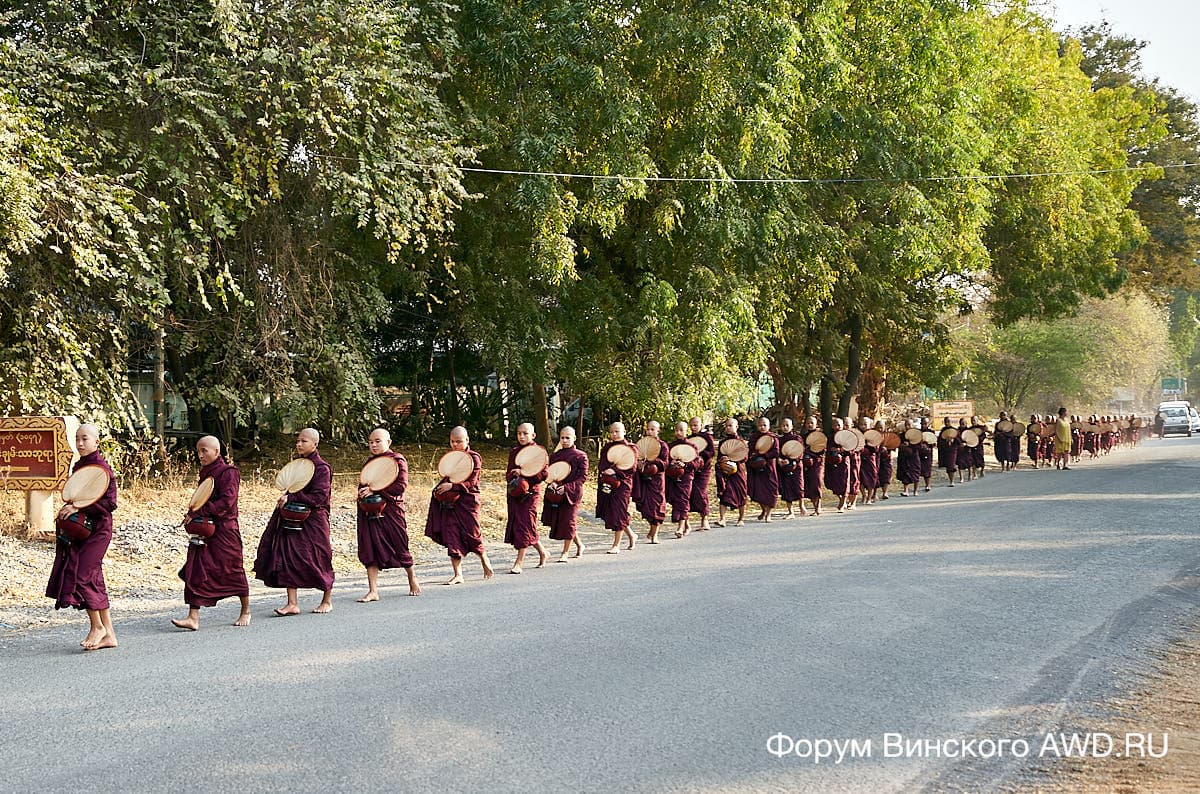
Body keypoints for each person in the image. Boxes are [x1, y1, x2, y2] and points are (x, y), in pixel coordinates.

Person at [46, 424, 118, 651]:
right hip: (81, 530)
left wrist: (78, 507)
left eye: (84, 439)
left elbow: (110, 503)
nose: (79, 443)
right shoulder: (79, 466)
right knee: (94, 579)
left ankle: (97, 627)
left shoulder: (102, 469)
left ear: (97, 442)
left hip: (99, 530)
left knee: (81, 575)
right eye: (77, 438)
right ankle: (110, 635)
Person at [172, 435, 251, 630]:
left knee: (232, 569)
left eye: (204, 451)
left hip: (226, 530)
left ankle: (245, 611)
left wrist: (199, 512)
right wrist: (193, 513)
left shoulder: (229, 472)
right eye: (198, 451)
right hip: (206, 528)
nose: (200, 455)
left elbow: (227, 502)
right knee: (196, 568)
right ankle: (193, 617)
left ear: (216, 451)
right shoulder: (206, 473)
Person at [254, 428, 335, 615]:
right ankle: (292, 603)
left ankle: (326, 600)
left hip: (314, 520)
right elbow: (291, 489)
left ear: (315, 444)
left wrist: (292, 497)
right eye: (298, 441)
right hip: (292, 517)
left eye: (304, 441)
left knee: (319, 558)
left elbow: (319, 497)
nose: (299, 444)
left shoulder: (322, 468)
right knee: (288, 557)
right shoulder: (298, 466)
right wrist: (287, 498)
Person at [355, 428, 420, 602]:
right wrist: (362, 493)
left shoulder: (397, 460)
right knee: (369, 546)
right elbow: (363, 484)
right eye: (371, 442)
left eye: (378, 441)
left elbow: (400, 486)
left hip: (391, 509)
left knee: (400, 543)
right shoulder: (369, 463)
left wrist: (375, 490)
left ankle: (412, 577)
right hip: (370, 510)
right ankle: (373, 590)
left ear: (388, 442)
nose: (374, 445)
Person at [424, 426, 495, 584]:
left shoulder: (474, 458)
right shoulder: (450, 458)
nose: (455, 445)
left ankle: (484, 558)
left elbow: (472, 481)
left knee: (472, 532)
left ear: (467, 440)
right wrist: (440, 489)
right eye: (452, 442)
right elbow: (447, 476)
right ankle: (458, 574)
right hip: (451, 502)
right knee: (452, 535)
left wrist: (453, 486)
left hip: (468, 500)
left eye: (459, 441)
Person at [504, 423, 548, 574]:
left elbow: (544, 474)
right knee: (524, 525)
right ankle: (542, 552)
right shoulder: (514, 452)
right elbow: (508, 474)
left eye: (525, 433)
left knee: (524, 524)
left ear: (533, 435)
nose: (522, 436)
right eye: (519, 433)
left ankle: (519, 562)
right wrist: (514, 474)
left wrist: (525, 473)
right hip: (515, 492)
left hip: (530, 493)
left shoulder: (539, 452)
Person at [542, 426, 589, 562]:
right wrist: (551, 483)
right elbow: (549, 474)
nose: (564, 440)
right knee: (564, 522)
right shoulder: (554, 456)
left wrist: (567, 487)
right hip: (556, 493)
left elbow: (582, 477)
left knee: (569, 521)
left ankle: (565, 552)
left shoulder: (581, 456)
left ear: (574, 438)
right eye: (562, 438)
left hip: (572, 493)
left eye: (568, 438)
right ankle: (580, 545)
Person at [597, 422, 638, 553]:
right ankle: (632, 535)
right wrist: (606, 470)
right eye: (612, 432)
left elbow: (632, 468)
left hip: (623, 484)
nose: (614, 434)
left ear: (624, 432)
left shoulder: (631, 448)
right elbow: (602, 464)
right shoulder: (607, 448)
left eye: (617, 431)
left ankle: (616, 545)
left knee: (619, 511)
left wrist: (615, 471)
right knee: (613, 512)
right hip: (608, 482)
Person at [632, 421, 669, 543]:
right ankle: (652, 529)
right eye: (648, 429)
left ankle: (655, 534)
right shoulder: (640, 444)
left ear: (658, 431)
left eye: (653, 429)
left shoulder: (662, 446)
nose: (649, 432)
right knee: (645, 507)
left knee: (657, 507)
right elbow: (635, 458)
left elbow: (665, 463)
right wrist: (639, 463)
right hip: (643, 479)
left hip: (656, 480)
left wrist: (652, 460)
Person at [666, 422, 699, 537]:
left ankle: (680, 528)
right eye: (676, 430)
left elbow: (697, 463)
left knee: (683, 500)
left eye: (681, 430)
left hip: (686, 477)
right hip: (672, 477)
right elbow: (666, 461)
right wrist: (672, 463)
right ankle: (687, 525)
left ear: (687, 431)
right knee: (676, 500)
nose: (678, 432)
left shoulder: (692, 446)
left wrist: (685, 464)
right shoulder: (671, 446)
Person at [714, 417, 747, 527]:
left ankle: (741, 519)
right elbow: (719, 458)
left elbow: (745, 457)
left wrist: (733, 459)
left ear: (736, 427)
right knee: (724, 494)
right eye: (726, 426)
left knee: (741, 494)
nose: (728, 428)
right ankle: (722, 519)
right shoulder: (722, 442)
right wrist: (722, 460)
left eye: (730, 426)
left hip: (738, 471)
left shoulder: (741, 442)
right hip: (726, 471)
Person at [747, 416, 780, 522]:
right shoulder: (753, 438)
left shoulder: (773, 438)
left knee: (771, 490)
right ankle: (763, 509)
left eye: (764, 425)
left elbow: (776, 452)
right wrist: (754, 456)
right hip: (756, 468)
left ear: (769, 426)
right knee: (758, 491)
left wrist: (764, 455)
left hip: (769, 468)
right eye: (760, 425)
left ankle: (768, 514)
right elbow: (750, 451)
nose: (762, 427)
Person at [687, 417, 716, 530]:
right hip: (692, 469)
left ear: (701, 425)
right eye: (692, 425)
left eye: (696, 425)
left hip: (704, 470)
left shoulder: (707, 437)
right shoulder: (689, 439)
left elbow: (712, 452)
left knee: (701, 492)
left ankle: (705, 519)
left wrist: (700, 453)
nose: (694, 427)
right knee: (690, 493)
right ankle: (686, 522)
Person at [777, 418, 805, 518]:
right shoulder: (779, 440)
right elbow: (777, 452)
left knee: (799, 486)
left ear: (792, 427)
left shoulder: (797, 438)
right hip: (784, 466)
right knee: (787, 488)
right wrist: (779, 460)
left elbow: (800, 451)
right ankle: (790, 511)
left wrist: (791, 460)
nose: (785, 427)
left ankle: (801, 506)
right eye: (783, 425)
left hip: (796, 466)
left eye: (787, 425)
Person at [824, 418, 852, 512]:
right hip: (832, 462)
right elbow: (827, 449)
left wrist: (840, 450)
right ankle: (841, 499)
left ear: (843, 426)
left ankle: (843, 503)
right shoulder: (831, 437)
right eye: (835, 425)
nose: (837, 427)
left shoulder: (847, 436)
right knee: (833, 483)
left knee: (844, 482)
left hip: (843, 463)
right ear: (832, 426)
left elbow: (851, 450)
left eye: (839, 425)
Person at [801, 416, 824, 515]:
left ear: (816, 424)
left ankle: (818, 507)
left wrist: (810, 453)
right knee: (809, 485)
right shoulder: (803, 437)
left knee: (816, 482)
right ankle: (814, 506)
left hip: (817, 463)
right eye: (808, 423)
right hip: (806, 463)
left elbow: (822, 450)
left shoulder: (820, 436)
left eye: (812, 423)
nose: (810, 425)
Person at [857, 417, 878, 505]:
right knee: (860, 478)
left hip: (870, 459)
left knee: (871, 478)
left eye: (865, 424)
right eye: (861, 424)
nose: (863, 426)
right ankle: (864, 496)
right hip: (859, 459)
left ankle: (869, 497)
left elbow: (876, 448)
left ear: (870, 425)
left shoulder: (873, 434)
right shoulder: (857, 434)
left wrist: (868, 443)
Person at [897, 419, 920, 497]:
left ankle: (915, 490)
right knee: (905, 473)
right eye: (906, 425)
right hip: (904, 456)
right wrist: (902, 445)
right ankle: (905, 490)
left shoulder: (917, 434)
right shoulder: (902, 435)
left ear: (912, 425)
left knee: (915, 473)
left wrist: (910, 444)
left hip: (913, 456)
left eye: (909, 425)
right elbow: (898, 444)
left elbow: (919, 446)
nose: (907, 426)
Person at [873, 419, 893, 499]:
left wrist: (887, 448)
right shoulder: (872, 435)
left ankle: (885, 492)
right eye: (878, 427)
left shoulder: (888, 436)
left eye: (881, 427)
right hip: (876, 458)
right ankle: (874, 494)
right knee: (875, 475)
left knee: (886, 475)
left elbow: (893, 445)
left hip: (886, 458)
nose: (880, 429)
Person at [937, 417, 959, 486]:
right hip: (945, 450)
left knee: (951, 465)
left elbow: (959, 440)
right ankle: (950, 479)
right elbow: (939, 441)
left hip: (952, 450)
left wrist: (954, 439)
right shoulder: (943, 431)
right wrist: (945, 441)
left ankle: (952, 481)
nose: (947, 423)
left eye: (948, 422)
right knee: (948, 466)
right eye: (946, 422)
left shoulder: (955, 430)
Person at [917, 418, 934, 492]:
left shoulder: (931, 432)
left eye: (925, 424)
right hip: (919, 452)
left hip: (927, 453)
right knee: (917, 469)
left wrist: (928, 445)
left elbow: (933, 442)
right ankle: (916, 487)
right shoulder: (918, 432)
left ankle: (927, 485)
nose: (923, 425)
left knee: (927, 469)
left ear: (928, 424)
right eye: (922, 424)